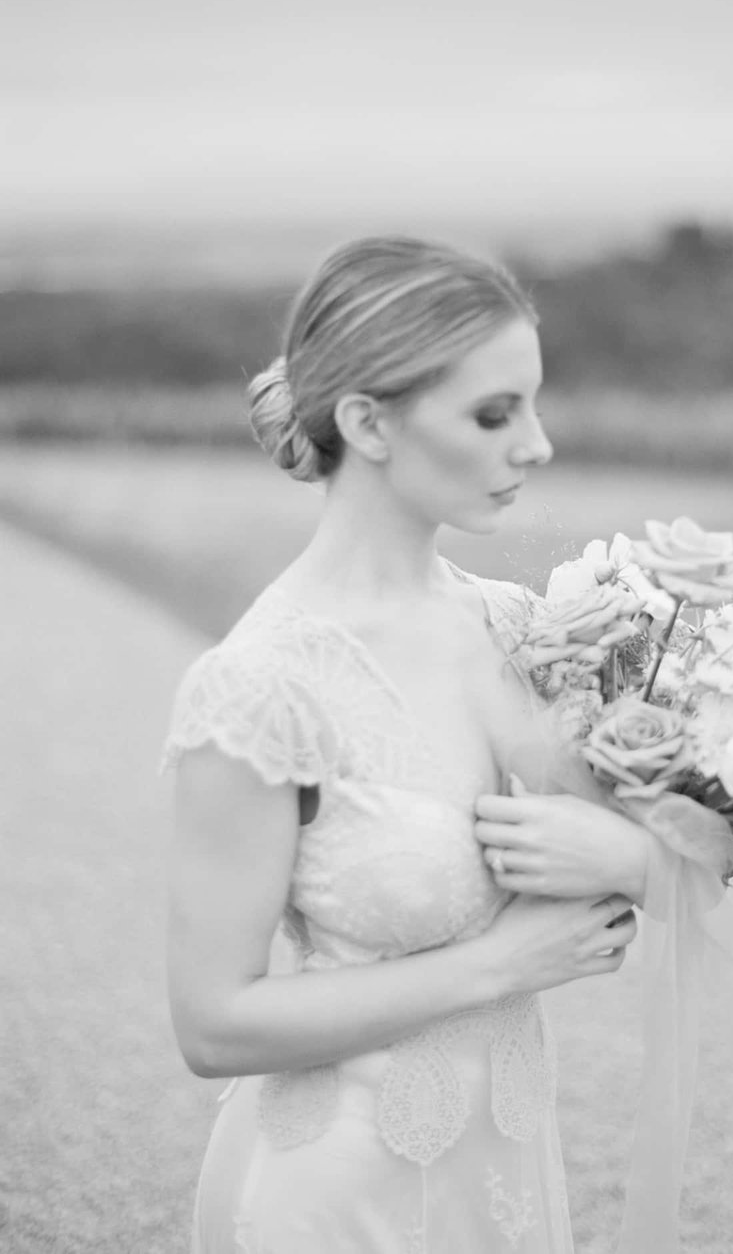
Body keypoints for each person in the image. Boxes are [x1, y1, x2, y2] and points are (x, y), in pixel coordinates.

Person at [162, 235, 657, 1254]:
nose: (537, 444)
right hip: (336, 1200)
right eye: (493, 413)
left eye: (532, 402)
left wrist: (637, 860)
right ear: (367, 422)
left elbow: (673, 840)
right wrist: (500, 964)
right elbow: (213, 1025)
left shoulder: (518, 627)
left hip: (508, 1177)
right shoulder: (257, 688)